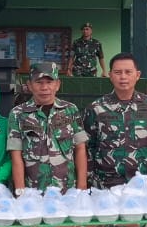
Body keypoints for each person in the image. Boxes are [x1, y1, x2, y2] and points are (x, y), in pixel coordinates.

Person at [82, 52, 147, 189]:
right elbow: (88, 148)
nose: (123, 77)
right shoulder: (96, 108)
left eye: (128, 72)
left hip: (146, 186)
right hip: (106, 186)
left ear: (138, 75)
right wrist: (90, 178)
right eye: (118, 72)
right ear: (110, 75)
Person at [7, 62, 89, 192]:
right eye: (39, 82)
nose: (44, 87)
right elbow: (16, 155)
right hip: (33, 193)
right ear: (29, 85)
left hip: (67, 192)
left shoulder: (70, 110)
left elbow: (80, 149)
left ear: (57, 85)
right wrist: (20, 192)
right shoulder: (18, 114)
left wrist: (82, 186)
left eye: (49, 82)